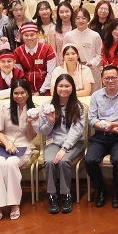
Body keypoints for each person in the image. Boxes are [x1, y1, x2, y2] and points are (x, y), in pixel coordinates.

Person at [86, 64, 118, 208]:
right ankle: (101, 190)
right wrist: (107, 127)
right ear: (102, 79)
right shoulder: (96, 96)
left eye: (113, 77)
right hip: (100, 137)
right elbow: (92, 120)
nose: (110, 81)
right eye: (107, 78)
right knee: (89, 160)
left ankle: (116, 191)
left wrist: (114, 125)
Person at [37, 74, 86, 214]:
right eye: (61, 86)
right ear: (55, 87)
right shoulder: (47, 106)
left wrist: (64, 148)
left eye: (67, 86)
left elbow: (77, 131)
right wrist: (50, 121)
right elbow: (43, 131)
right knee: (49, 162)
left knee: (64, 161)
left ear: (72, 88)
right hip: (53, 142)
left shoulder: (78, 106)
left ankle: (66, 194)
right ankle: (52, 195)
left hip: (74, 143)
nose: (64, 89)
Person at [0, 79, 38, 220]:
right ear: (12, 94)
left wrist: (29, 123)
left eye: (22, 93)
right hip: (3, 145)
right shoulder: (4, 107)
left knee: (11, 164)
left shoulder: (34, 110)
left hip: (23, 146)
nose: (19, 96)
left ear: (28, 93)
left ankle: (14, 204)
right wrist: (7, 144)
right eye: (16, 93)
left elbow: (31, 137)